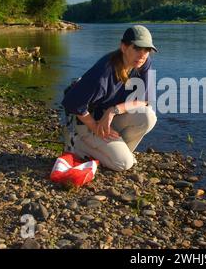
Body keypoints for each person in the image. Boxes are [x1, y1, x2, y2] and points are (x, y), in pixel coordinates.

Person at [61, 25, 158, 172]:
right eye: (137, 48)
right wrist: (94, 127)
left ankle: (115, 150)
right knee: (124, 164)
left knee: (148, 116)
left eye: (147, 50)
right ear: (124, 47)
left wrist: (113, 111)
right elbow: (72, 102)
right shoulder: (104, 72)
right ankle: (78, 145)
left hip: (109, 117)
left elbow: (145, 98)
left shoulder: (143, 62)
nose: (143, 54)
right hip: (87, 122)